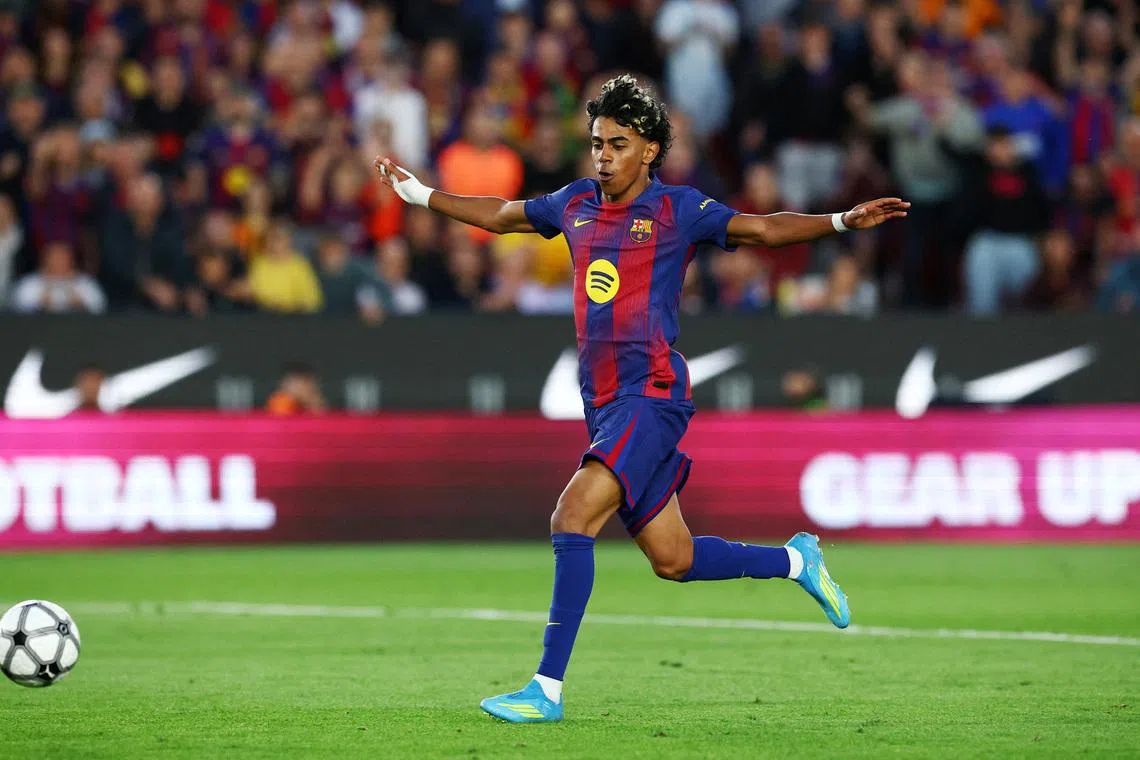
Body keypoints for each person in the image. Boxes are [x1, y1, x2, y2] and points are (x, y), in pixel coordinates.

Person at [374, 74, 908, 724]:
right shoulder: (573, 203)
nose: (602, 155)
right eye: (597, 142)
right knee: (672, 559)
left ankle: (545, 689)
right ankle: (798, 560)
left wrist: (840, 220)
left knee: (572, 518)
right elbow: (503, 214)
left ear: (649, 150)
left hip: (650, 393)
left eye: (617, 144)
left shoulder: (678, 210)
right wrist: (421, 193)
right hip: (603, 403)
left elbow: (763, 230)